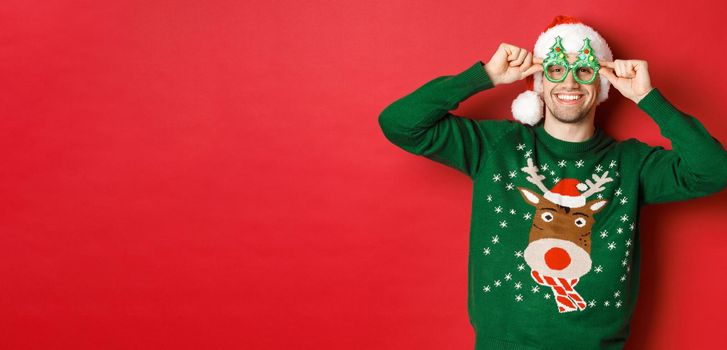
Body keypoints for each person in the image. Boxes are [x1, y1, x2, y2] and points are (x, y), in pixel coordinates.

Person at [377, 15, 727, 350]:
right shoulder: (497, 146)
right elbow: (400, 123)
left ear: (602, 84)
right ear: (540, 82)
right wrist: (482, 77)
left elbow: (713, 171)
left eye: (585, 70)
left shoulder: (631, 164)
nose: (570, 83)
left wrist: (648, 98)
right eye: (557, 69)